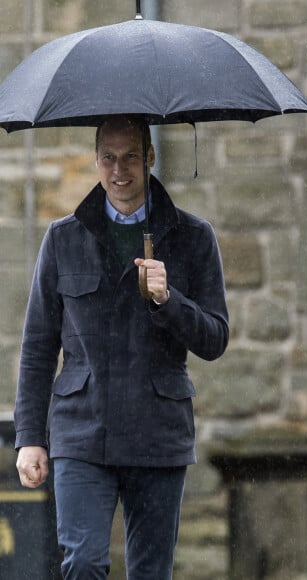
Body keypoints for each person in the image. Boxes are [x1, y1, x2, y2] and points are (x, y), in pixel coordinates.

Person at [14, 115, 229, 579]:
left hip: (159, 431)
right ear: (95, 161)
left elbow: (215, 339)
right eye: (108, 158)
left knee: (151, 572)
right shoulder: (62, 238)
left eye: (131, 156)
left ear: (150, 158)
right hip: (81, 429)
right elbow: (37, 346)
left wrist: (168, 301)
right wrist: (30, 437)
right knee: (84, 561)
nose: (119, 170)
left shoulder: (194, 238)